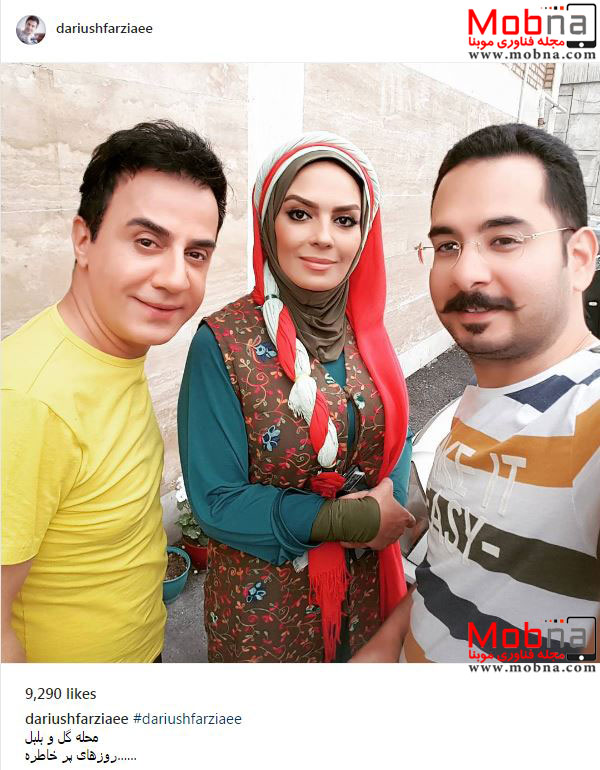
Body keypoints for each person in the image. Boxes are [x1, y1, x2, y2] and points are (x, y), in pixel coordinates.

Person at [352, 123, 599, 663]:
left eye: (504, 239)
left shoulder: (588, 418)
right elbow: (451, 575)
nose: (465, 272)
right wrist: (381, 652)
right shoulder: (478, 407)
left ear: (579, 257)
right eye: (447, 245)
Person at [178, 131, 414, 663]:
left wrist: (390, 504)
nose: (324, 238)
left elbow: (393, 432)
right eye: (300, 214)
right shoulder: (223, 343)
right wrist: (352, 521)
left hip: (363, 594)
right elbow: (216, 502)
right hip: (266, 614)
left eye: (345, 220)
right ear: (269, 223)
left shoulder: (365, 332)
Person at [1, 120, 227, 662]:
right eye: (147, 242)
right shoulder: (28, 401)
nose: (176, 278)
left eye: (196, 253)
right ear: (84, 239)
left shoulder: (110, 352)